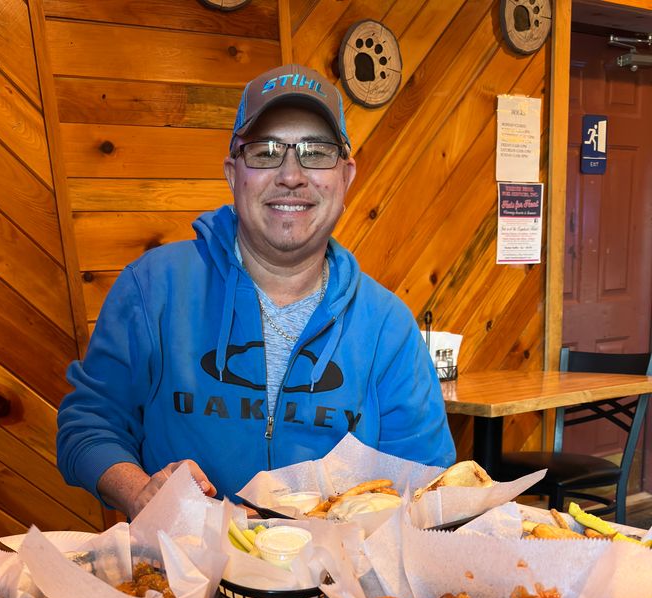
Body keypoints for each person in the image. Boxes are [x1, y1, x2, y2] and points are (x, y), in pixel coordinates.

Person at [57, 64, 455, 518]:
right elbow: (87, 425)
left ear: (345, 177)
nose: (291, 175)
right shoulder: (153, 289)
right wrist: (141, 492)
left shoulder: (389, 327)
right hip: (185, 579)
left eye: (316, 151)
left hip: (340, 585)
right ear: (232, 173)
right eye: (266, 152)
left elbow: (427, 484)